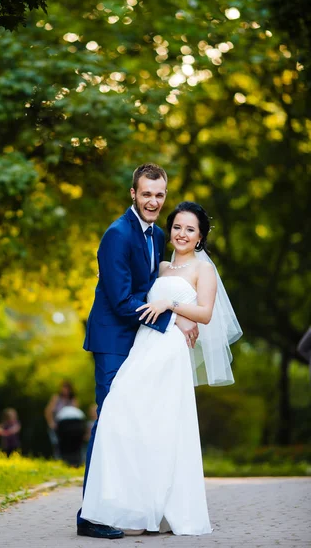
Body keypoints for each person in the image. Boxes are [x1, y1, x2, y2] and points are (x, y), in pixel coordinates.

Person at [81, 201, 242, 536]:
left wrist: (173, 306)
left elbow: (207, 313)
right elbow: (136, 293)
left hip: (170, 354)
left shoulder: (203, 269)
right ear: (170, 231)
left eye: (190, 229)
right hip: (144, 345)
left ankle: (156, 510)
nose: (182, 234)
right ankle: (133, 507)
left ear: (200, 237)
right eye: (178, 227)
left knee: (163, 426)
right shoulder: (161, 265)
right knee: (124, 416)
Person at [77, 165, 200, 540]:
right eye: (146, 194)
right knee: (110, 421)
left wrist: (169, 316)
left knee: (133, 424)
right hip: (113, 340)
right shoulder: (116, 234)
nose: (153, 201)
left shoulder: (158, 233)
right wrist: (173, 321)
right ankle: (90, 515)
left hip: (140, 341)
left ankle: (122, 504)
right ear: (133, 193)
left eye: (159, 195)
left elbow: (151, 288)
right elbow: (119, 299)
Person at [45, 381, 78, 458]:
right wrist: (51, 423)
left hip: (69, 427)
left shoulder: (73, 400)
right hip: (57, 425)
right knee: (57, 444)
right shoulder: (56, 398)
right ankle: (58, 459)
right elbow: (48, 411)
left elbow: (76, 412)